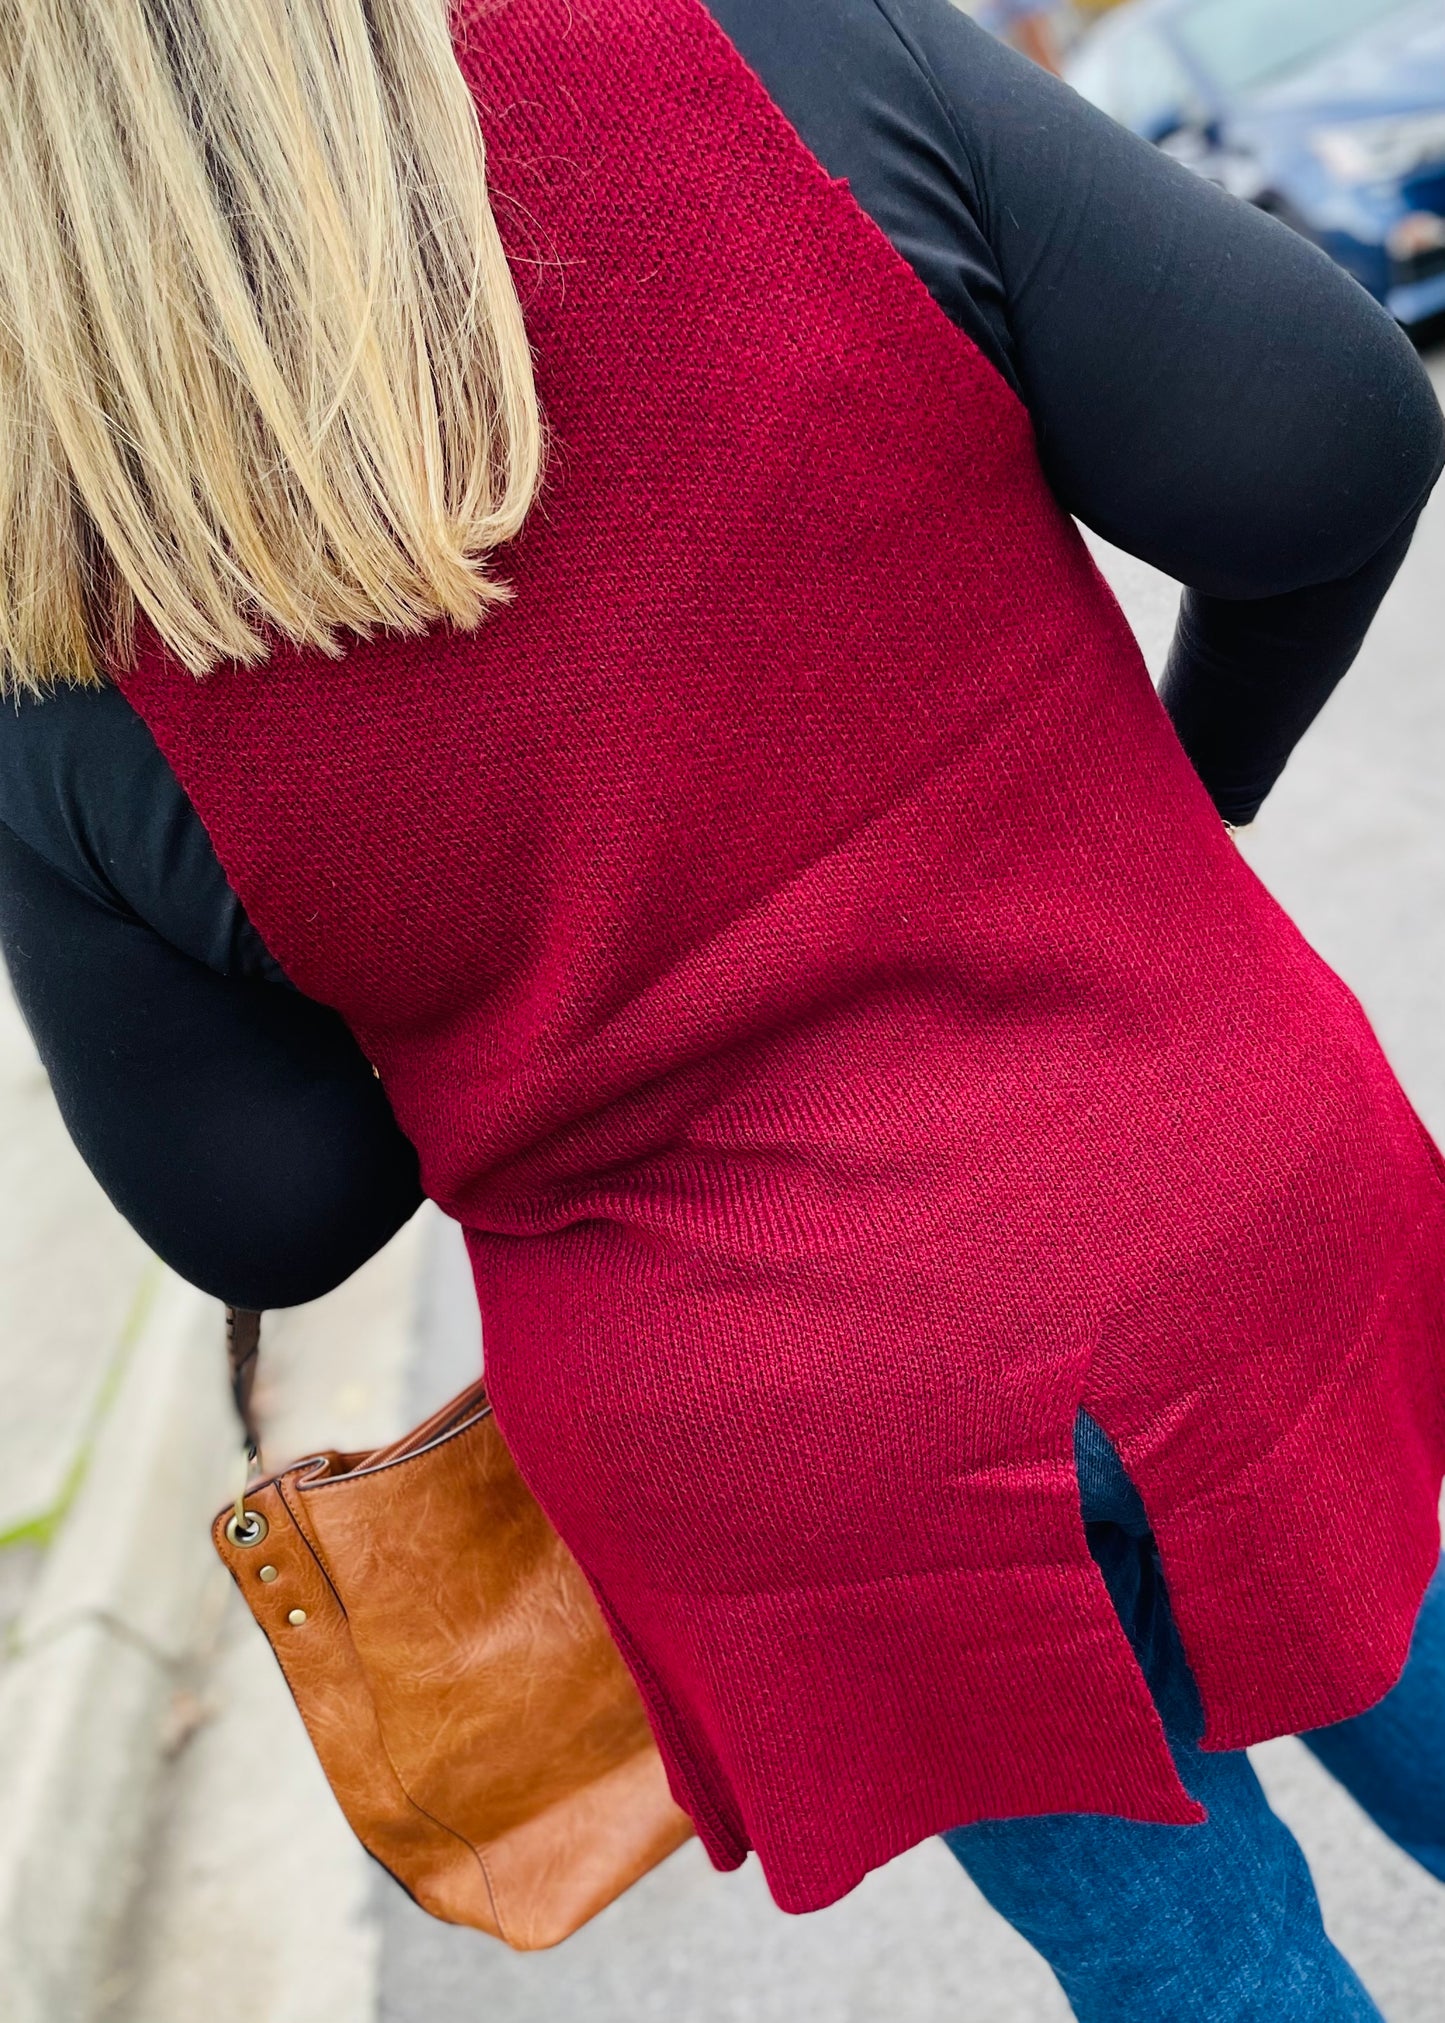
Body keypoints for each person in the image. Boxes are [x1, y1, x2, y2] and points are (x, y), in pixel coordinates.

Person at [1, 2, 1443, 2015]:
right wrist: (1187, 781)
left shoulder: (58, 553)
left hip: (793, 1446)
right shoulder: (746, 40)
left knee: (1208, 1976)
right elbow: (1327, 438)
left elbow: (271, 1208)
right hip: (1206, 1180)